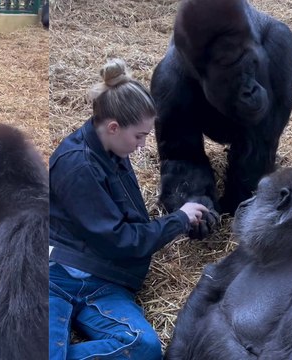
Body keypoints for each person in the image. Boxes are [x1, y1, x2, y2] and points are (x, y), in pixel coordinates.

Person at [49, 58, 208, 360]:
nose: (143, 145)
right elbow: (119, 239)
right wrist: (178, 220)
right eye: (140, 136)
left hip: (104, 279)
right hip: (56, 278)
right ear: (113, 127)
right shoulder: (77, 164)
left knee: (144, 347)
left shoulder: (112, 151)